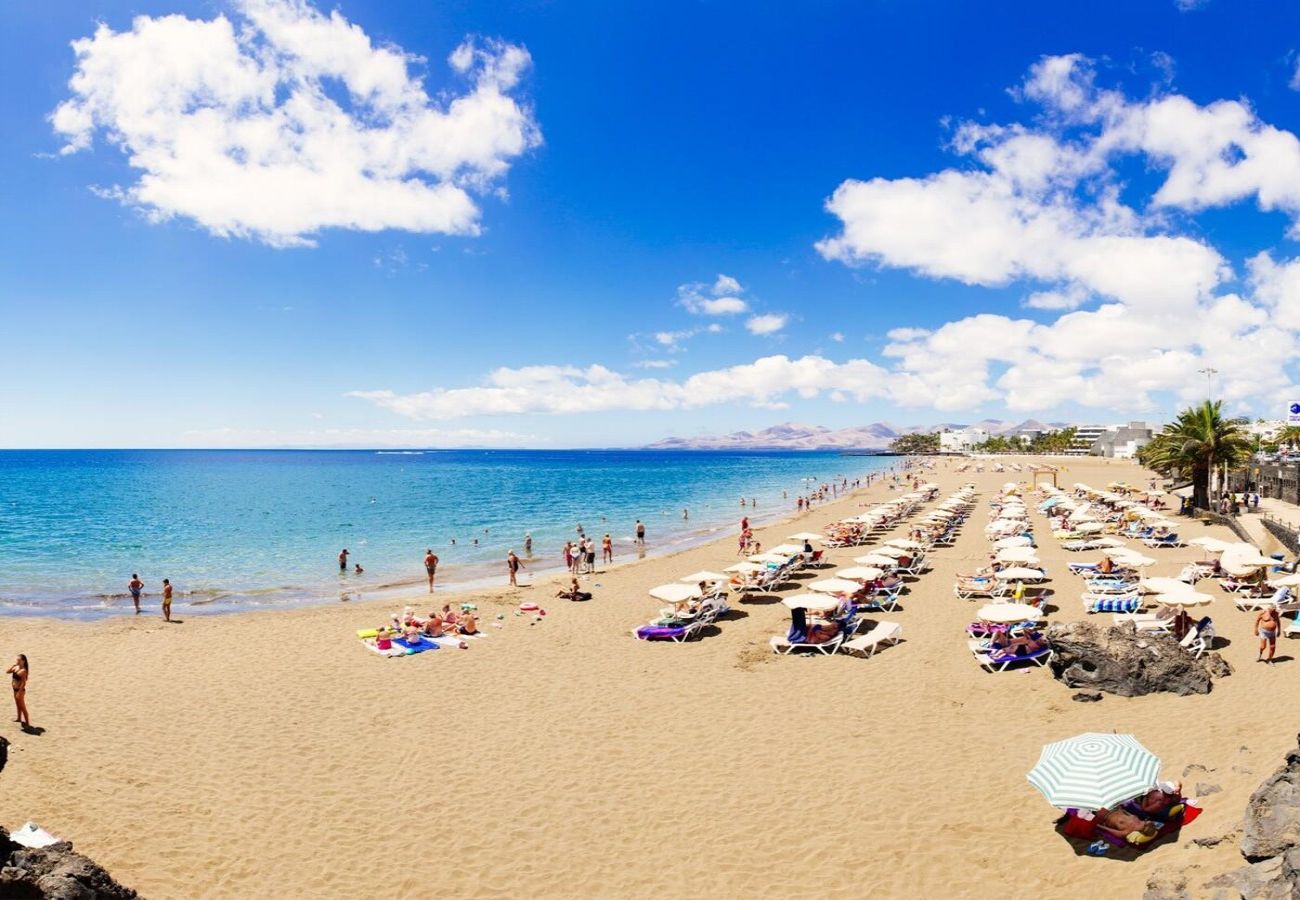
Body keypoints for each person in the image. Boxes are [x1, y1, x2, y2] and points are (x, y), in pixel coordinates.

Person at [7, 655, 29, 729]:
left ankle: (28, 723)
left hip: (20, 691)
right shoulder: (15, 667)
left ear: (23, 661)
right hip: (15, 690)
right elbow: (7, 672)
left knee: (22, 707)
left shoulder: (23, 671)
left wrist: (19, 692)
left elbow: (23, 683)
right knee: (17, 705)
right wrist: (13, 666)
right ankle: (19, 718)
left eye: (19, 660)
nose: (17, 661)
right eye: (17, 660)